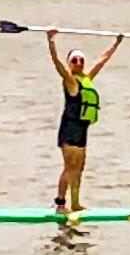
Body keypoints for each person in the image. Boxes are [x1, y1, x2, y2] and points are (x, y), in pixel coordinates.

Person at [47, 29, 124, 213]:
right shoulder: (70, 81)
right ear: (69, 64)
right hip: (69, 130)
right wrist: (50, 41)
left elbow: (102, 61)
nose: (79, 63)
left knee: (79, 168)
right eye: (74, 60)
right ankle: (60, 203)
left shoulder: (86, 79)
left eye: (81, 60)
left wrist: (116, 43)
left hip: (82, 130)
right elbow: (57, 64)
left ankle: (75, 203)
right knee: (69, 167)